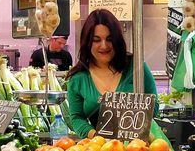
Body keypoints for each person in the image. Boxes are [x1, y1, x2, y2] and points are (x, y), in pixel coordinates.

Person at [66, 9, 159, 138]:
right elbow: (76, 118)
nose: (104, 46)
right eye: (96, 40)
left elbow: (155, 106)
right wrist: (97, 137)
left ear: (117, 40)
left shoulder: (136, 67)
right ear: (87, 42)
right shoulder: (78, 79)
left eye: (109, 39)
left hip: (141, 148)